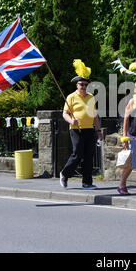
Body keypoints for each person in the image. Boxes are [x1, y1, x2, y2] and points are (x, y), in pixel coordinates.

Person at [60, 59, 102, 190]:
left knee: (89, 156)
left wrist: (98, 130)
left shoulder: (91, 97)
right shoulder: (71, 97)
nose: (83, 87)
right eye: (81, 84)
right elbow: (65, 114)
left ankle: (87, 183)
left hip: (89, 130)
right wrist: (71, 121)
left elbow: (94, 114)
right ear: (77, 85)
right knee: (77, 154)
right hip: (76, 129)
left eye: (85, 84)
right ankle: (64, 174)